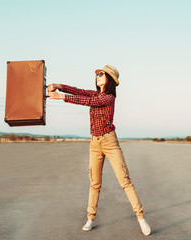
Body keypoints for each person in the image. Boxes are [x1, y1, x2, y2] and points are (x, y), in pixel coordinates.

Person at [47, 65, 151, 236]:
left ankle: (141, 217)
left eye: (101, 74)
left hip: (110, 142)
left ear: (109, 79)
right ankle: (91, 218)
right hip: (94, 143)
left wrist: (60, 97)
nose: (97, 77)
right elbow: (79, 92)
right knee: (94, 183)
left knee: (125, 181)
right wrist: (58, 85)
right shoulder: (95, 93)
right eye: (97, 75)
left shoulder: (109, 98)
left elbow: (90, 102)